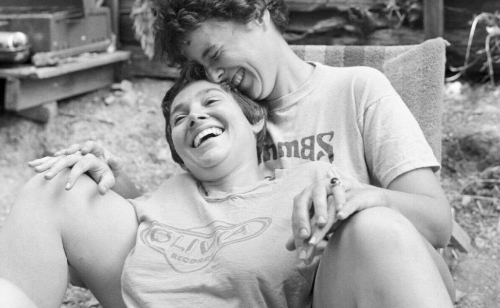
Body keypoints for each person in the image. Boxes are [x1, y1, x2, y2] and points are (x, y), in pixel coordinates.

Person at [21, 0, 455, 307]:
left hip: (341, 281)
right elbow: (196, 222)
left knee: (373, 226)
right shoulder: (228, 113)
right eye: (203, 68)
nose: (215, 76)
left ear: (256, 16)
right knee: (62, 188)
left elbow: (436, 221)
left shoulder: (357, 89)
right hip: (240, 283)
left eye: (215, 55)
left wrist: (364, 199)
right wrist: (114, 185)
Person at [0, 68, 352, 308]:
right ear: (180, 155)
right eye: (180, 118)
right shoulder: (173, 193)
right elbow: (124, 231)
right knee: (55, 184)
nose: (195, 116)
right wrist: (106, 177)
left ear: (255, 118)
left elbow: (357, 250)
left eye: (211, 102)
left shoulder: (307, 181)